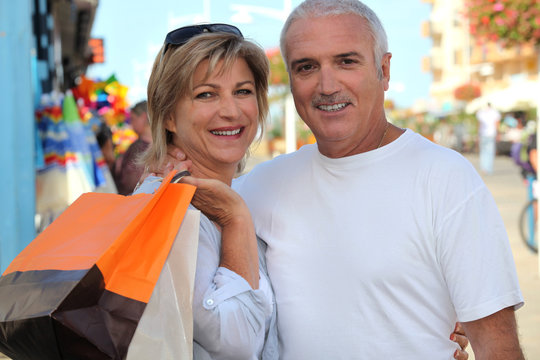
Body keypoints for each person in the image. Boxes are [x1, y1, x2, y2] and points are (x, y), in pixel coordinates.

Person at [162, 1, 523, 358]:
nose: (327, 85)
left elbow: (498, 347)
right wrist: (171, 160)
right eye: (306, 67)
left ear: (384, 70)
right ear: (291, 82)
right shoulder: (259, 187)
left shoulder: (445, 178)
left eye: (346, 61)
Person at [134, 26, 278, 359]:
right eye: (206, 94)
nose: (231, 111)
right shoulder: (173, 211)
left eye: (242, 91)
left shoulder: (220, 195)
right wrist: (236, 220)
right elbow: (237, 342)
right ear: (169, 115)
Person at [115, 100, 153, 195]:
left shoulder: (139, 147)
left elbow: (130, 181)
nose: (131, 124)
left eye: (133, 119)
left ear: (143, 117)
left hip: (132, 199)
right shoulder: (162, 145)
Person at [476, 102, 501, 174]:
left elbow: (479, 124)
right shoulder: (495, 112)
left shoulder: (481, 112)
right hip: (491, 134)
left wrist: (478, 134)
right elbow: (497, 124)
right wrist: (498, 133)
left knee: (483, 151)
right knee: (490, 151)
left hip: (483, 134)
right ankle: (488, 168)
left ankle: (483, 167)